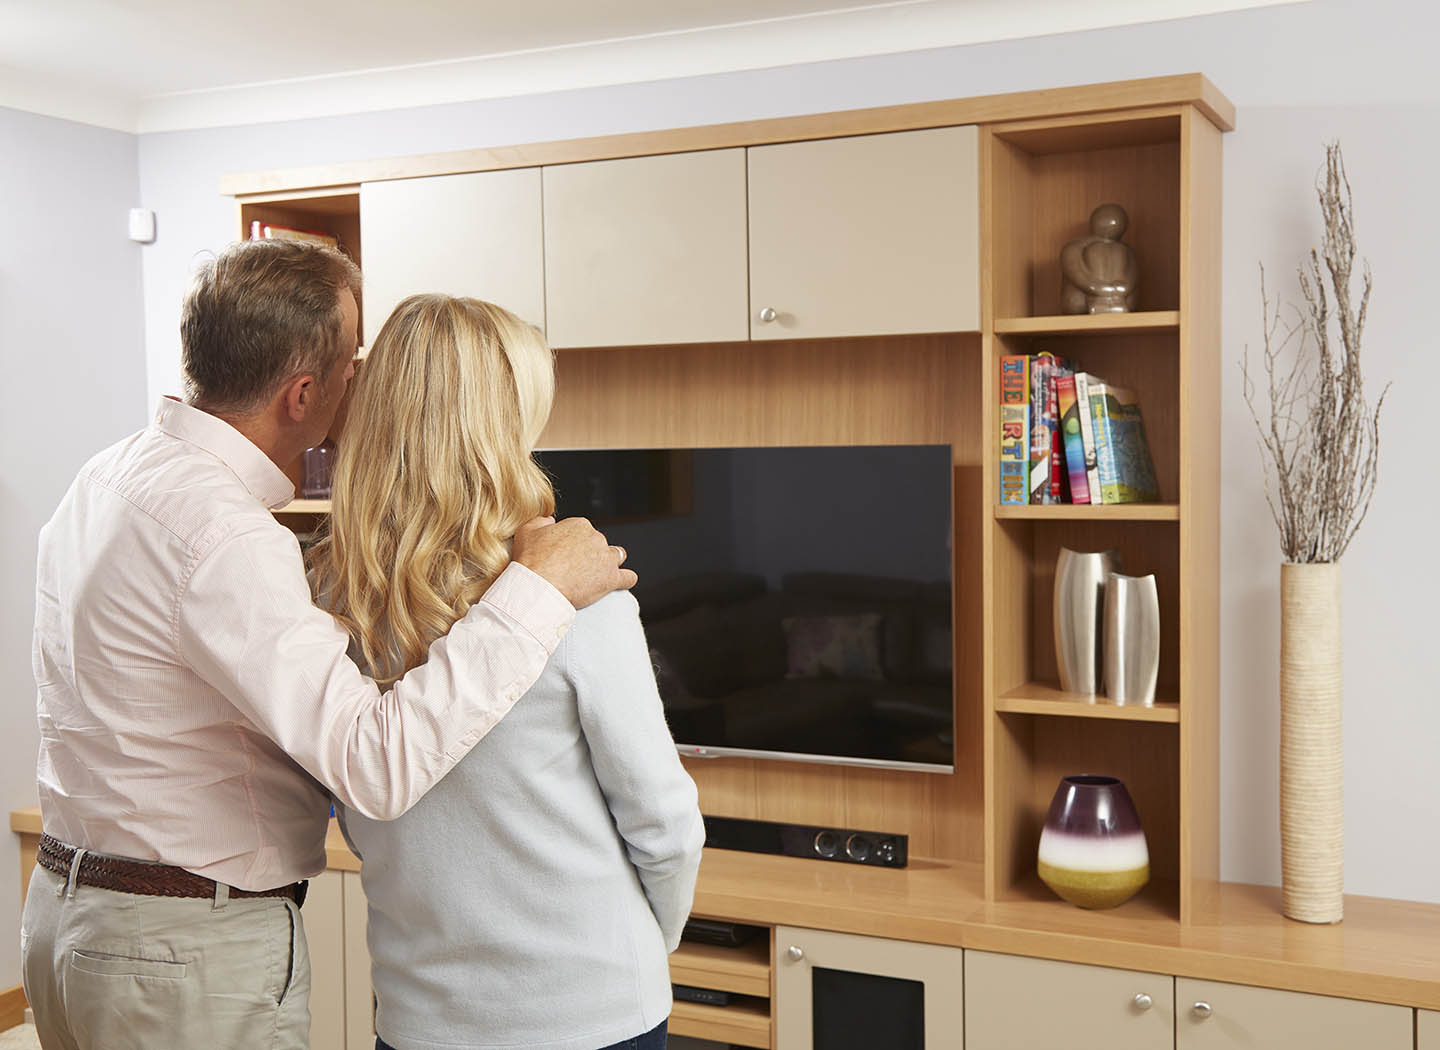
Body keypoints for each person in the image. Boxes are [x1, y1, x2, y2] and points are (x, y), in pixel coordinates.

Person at [22, 239, 635, 1050]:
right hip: (178, 957)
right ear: (303, 393)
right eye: (354, 362)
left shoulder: (105, 477)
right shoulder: (226, 536)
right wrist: (538, 594)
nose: (363, 380)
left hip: (67, 918)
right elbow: (374, 767)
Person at [312, 294, 704, 1050]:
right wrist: (646, 948)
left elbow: (361, 818)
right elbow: (665, 826)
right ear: (505, 426)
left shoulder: (327, 597)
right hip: (591, 1012)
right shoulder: (576, 595)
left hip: (420, 1013)